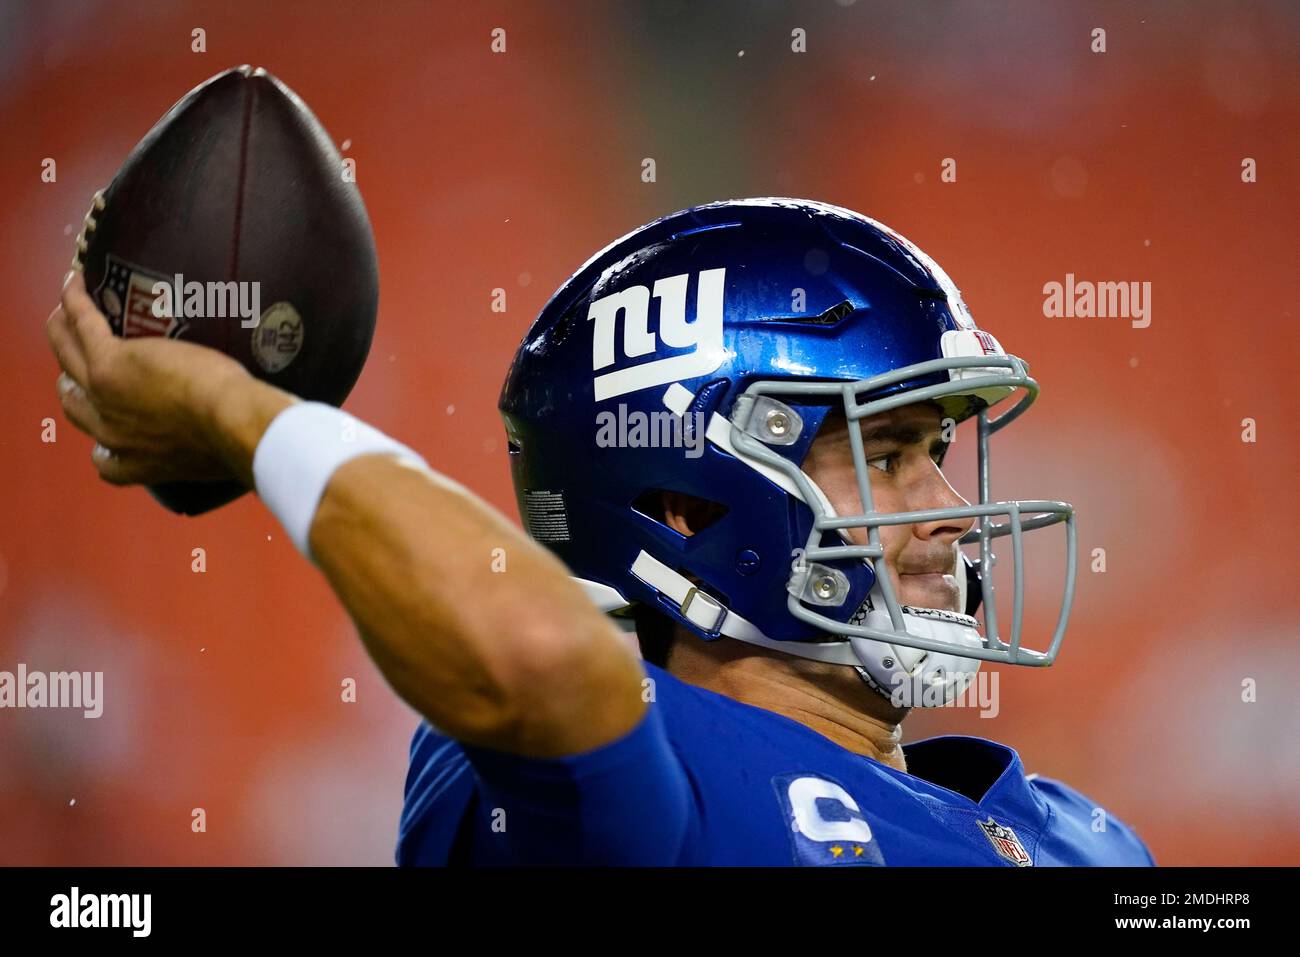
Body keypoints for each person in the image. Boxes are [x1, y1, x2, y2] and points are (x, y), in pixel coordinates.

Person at [47, 197, 1155, 866]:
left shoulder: (1079, 835)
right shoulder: (626, 788)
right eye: (885, 454)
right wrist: (244, 417)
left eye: (935, 453)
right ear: (688, 504)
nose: (943, 511)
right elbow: (532, 650)